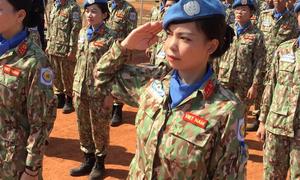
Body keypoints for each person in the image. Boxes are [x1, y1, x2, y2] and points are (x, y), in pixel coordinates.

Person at [93, 0, 248, 178]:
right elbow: (102, 76)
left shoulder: (227, 110)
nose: (171, 45)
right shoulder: (153, 82)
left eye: (184, 38)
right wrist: (125, 46)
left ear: (211, 46)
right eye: (169, 34)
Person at [0, 0, 56, 179]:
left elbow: (42, 121)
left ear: (20, 15)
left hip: (14, 162)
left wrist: (31, 169)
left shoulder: (35, 61)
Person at [69, 0, 116, 179]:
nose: (89, 15)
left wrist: (110, 94)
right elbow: (80, 61)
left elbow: (115, 68)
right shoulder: (82, 32)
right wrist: (74, 86)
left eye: (94, 11)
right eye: (87, 11)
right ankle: (87, 159)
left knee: (100, 128)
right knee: (83, 126)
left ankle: (99, 162)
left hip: (99, 92)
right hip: (80, 89)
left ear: (104, 14)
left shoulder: (111, 37)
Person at [256, 0, 300, 178]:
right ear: (297, 17)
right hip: (276, 126)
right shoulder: (283, 50)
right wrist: (262, 121)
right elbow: (271, 87)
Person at [215, 0, 266, 130]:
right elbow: (217, 55)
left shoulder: (257, 35)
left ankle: (238, 147)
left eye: (244, 9)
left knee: (239, 117)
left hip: (243, 83)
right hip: (223, 79)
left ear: (251, 13)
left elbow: (260, 61)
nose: (239, 12)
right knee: (220, 114)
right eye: (237, 9)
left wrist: (254, 85)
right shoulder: (226, 30)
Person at [250, 0, 298, 131]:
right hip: (263, 61)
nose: (277, 1)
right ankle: (259, 119)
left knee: (276, 91)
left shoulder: (292, 20)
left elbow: (293, 43)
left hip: (282, 63)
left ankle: (272, 121)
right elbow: (258, 38)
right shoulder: (265, 15)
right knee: (260, 92)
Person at [46, 0, 82, 114]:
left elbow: (75, 29)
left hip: (65, 49)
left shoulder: (73, 7)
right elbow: (50, 26)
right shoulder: (54, 5)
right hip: (53, 47)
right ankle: (60, 97)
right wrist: (48, 43)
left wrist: (72, 49)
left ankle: (69, 100)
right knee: (55, 74)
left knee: (67, 75)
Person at [107, 0, 138, 126]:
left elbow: (131, 34)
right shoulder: (107, 6)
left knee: (118, 80)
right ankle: (108, 107)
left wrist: (128, 55)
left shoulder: (129, 10)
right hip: (105, 50)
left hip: (120, 52)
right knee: (106, 79)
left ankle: (117, 109)